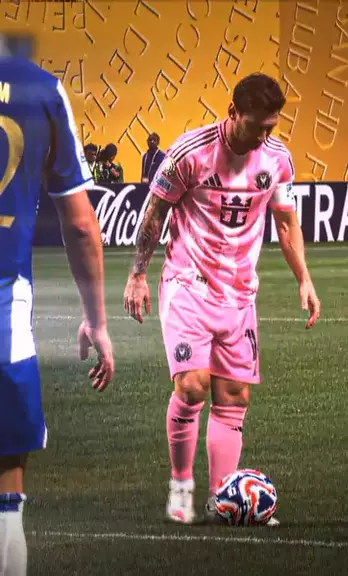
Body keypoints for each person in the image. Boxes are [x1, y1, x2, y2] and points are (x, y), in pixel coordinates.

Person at [123, 72, 321, 526]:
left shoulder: (278, 161)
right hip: (188, 283)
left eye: (271, 127)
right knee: (192, 386)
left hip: (240, 294)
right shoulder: (189, 153)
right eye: (256, 125)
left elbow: (286, 222)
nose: (264, 136)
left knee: (233, 396)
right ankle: (181, 486)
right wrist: (137, 275)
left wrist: (304, 280)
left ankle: (222, 498)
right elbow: (155, 212)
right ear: (233, 112)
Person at [0, 34, 114, 575]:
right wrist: (96, 321)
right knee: (7, 480)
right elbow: (81, 224)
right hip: (4, 311)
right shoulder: (41, 89)